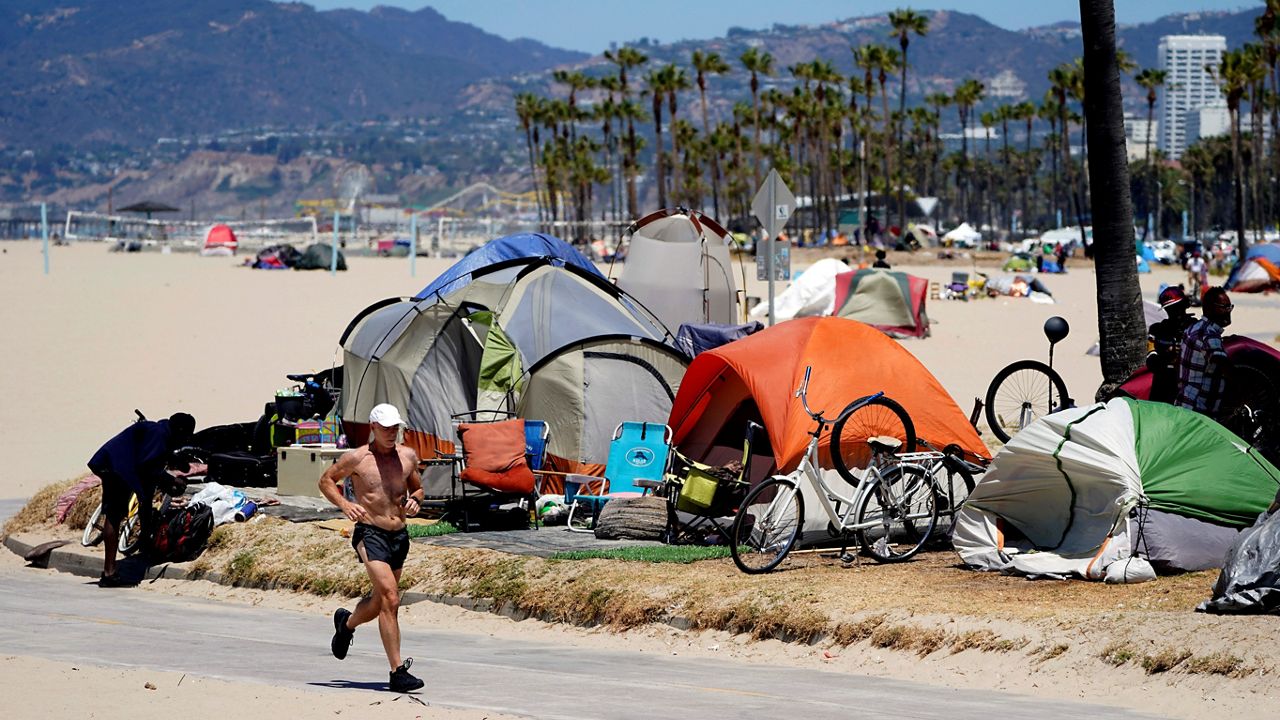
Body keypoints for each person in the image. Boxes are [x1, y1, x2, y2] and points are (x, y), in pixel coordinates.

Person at [323, 403, 425, 693]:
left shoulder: (407, 456)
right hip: (370, 533)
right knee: (391, 598)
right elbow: (326, 480)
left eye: (396, 428)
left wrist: (416, 500)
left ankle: (347, 624)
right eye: (386, 428)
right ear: (373, 428)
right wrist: (345, 504)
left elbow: (418, 488)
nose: (392, 433)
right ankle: (397, 673)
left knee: (381, 602)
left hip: (399, 536)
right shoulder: (357, 458)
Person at [87, 412, 195, 587]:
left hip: (111, 463)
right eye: (186, 436)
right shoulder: (160, 436)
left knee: (119, 511)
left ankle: (114, 567)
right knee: (114, 516)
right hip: (117, 468)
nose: (185, 440)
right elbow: (147, 468)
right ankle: (109, 573)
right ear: (180, 431)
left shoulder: (160, 431)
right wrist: (171, 480)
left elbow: (148, 478)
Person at [1175, 287, 1233, 419]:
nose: (1229, 311)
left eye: (1230, 306)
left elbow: (1178, 365)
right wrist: (1243, 390)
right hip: (1200, 412)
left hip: (1185, 404)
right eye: (1225, 307)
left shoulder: (1193, 328)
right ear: (1210, 308)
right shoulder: (1209, 336)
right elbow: (1225, 366)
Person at [1146, 286, 1196, 404]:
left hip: (1189, 389)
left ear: (1185, 305)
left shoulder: (1196, 329)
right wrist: (1167, 355)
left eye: (1177, 307)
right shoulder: (1157, 330)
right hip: (1163, 388)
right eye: (1170, 309)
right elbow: (1151, 361)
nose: (1174, 312)